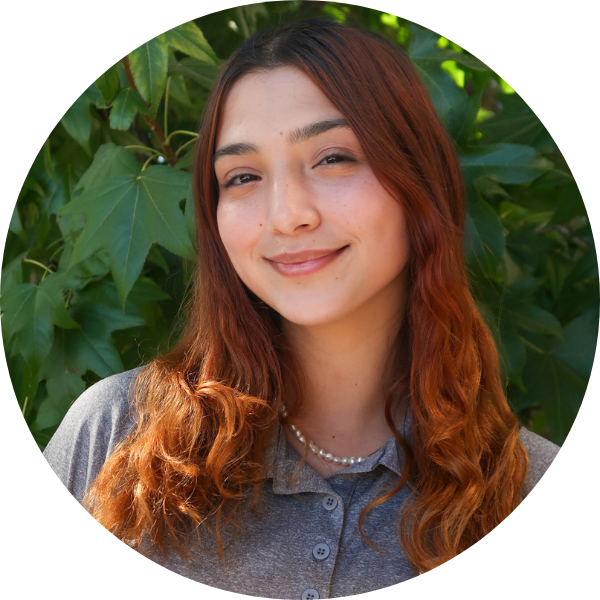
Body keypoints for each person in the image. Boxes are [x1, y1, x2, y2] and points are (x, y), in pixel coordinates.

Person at [43, 18, 559, 599]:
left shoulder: (536, 495)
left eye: (334, 158)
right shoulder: (115, 439)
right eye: (242, 176)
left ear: (420, 179)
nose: (288, 215)